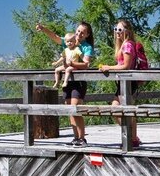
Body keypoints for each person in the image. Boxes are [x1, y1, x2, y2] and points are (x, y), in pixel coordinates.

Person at [35, 21, 95, 146]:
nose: (79, 34)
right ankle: (75, 137)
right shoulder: (69, 41)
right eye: (78, 31)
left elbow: (86, 65)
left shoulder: (86, 47)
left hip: (78, 82)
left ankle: (82, 138)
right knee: (69, 110)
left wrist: (72, 64)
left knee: (75, 109)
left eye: (82, 32)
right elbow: (55, 38)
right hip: (68, 82)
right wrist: (44, 28)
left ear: (87, 35)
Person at [99, 19, 147, 148]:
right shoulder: (124, 45)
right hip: (124, 82)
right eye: (116, 29)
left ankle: (132, 138)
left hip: (128, 82)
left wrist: (108, 67)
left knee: (119, 110)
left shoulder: (127, 45)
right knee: (121, 109)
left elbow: (125, 66)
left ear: (127, 31)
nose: (117, 32)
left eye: (120, 30)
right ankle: (133, 137)